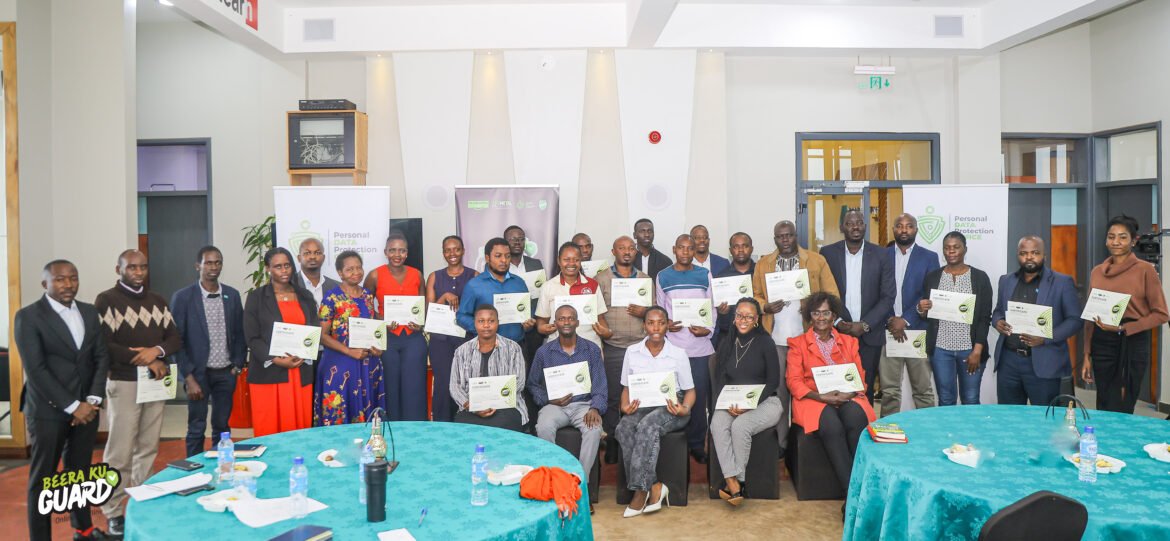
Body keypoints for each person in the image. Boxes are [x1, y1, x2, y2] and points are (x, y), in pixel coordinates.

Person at [19, 260, 111, 541]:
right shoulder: (29, 316)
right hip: (47, 410)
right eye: (60, 279)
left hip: (87, 409)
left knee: (78, 474)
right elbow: (36, 370)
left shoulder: (88, 312)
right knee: (44, 480)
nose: (68, 284)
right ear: (45, 283)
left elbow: (100, 356)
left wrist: (91, 401)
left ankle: (83, 530)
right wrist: (73, 406)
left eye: (73, 278)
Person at [96, 249, 181, 535]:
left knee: (148, 446)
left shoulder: (157, 300)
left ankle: (141, 500)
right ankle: (113, 509)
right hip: (124, 381)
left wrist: (156, 352)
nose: (138, 272)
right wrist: (148, 359)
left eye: (143, 267)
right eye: (131, 267)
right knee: (119, 451)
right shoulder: (106, 300)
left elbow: (174, 338)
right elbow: (106, 345)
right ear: (118, 269)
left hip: (155, 383)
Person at [752, 220, 839, 453]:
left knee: (810, 390)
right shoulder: (763, 264)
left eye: (789, 235)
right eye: (781, 236)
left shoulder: (816, 260)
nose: (786, 240)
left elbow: (831, 295)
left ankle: (809, 442)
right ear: (775, 239)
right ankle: (782, 445)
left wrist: (811, 305)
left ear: (795, 236)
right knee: (779, 394)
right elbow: (755, 296)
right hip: (776, 340)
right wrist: (765, 307)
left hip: (807, 338)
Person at [786, 292, 876, 511]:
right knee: (832, 426)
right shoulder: (797, 344)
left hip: (847, 396)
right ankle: (851, 494)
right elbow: (794, 381)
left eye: (826, 312)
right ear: (809, 316)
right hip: (813, 398)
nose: (821, 318)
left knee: (856, 418)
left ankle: (866, 487)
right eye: (816, 313)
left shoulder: (849, 342)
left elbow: (860, 377)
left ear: (834, 314)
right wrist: (821, 397)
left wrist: (850, 394)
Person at [1082, 215, 1169, 413]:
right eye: (1111, 237)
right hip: (1102, 341)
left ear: (1133, 240)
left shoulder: (1145, 270)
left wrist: (1123, 328)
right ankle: (1103, 441)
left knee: (1123, 400)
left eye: (1122, 237)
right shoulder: (1097, 272)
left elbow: (1161, 314)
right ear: (1106, 240)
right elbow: (1089, 318)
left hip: (1132, 340)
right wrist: (1086, 354)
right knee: (1104, 398)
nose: (1116, 242)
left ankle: (1120, 442)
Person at [616, 306, 696, 518]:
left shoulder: (678, 354)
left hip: (671, 406)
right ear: (644, 326)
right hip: (642, 404)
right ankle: (654, 485)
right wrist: (625, 407)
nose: (656, 327)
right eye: (651, 322)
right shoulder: (632, 352)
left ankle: (640, 492)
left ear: (668, 325)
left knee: (647, 426)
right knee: (623, 427)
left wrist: (684, 409)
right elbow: (626, 389)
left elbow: (690, 391)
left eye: (660, 322)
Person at [170, 246, 247, 458]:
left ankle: (221, 466)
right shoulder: (183, 297)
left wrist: (238, 364)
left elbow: (240, 332)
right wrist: (188, 376)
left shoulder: (231, 294)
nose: (214, 267)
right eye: (209, 262)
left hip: (226, 372)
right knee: (196, 426)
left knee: (222, 426)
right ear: (198, 266)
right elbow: (177, 340)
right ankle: (193, 471)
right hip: (197, 373)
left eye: (218, 262)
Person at [992, 236, 1082, 406]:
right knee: (1009, 418)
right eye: (1024, 253)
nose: (1029, 257)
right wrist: (997, 321)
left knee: (1045, 420)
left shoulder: (1062, 282)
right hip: (1009, 362)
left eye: (1035, 253)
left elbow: (1075, 320)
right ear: (1018, 255)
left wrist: (1045, 337)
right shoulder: (1006, 281)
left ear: (1044, 255)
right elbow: (998, 311)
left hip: (1044, 361)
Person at [710, 298, 782, 506]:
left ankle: (738, 481)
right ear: (734, 318)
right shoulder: (727, 342)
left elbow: (773, 382)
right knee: (717, 423)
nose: (743, 320)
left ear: (756, 319)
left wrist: (748, 404)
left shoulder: (765, 342)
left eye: (748, 316)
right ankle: (732, 481)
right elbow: (720, 378)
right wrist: (727, 403)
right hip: (731, 401)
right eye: (739, 315)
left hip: (765, 402)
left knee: (740, 426)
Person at [821, 209, 896, 404]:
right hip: (837, 333)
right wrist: (837, 322)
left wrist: (864, 325)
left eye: (860, 222)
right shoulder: (827, 253)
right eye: (850, 223)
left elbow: (888, 296)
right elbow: (824, 293)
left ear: (865, 226)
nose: (855, 226)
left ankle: (864, 430)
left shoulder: (882, 254)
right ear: (841, 228)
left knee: (865, 387)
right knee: (837, 387)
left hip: (869, 334)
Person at [243, 247, 318, 436]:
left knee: (300, 431)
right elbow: (252, 337)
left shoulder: (305, 296)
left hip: (300, 371)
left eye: (287, 265)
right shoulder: (256, 298)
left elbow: (313, 330)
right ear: (268, 268)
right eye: (278, 266)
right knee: (269, 428)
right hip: (269, 372)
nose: (284, 270)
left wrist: (304, 354)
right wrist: (276, 359)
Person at [655, 234, 715, 463]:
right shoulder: (663, 276)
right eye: (681, 248)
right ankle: (673, 442)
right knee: (671, 396)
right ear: (674, 249)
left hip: (699, 348)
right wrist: (665, 325)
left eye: (690, 248)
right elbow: (659, 309)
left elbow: (712, 309)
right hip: (673, 348)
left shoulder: (704, 275)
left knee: (698, 400)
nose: (686, 252)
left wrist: (708, 330)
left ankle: (697, 444)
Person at [595, 235, 654, 464]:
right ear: (614, 251)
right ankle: (612, 440)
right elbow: (596, 312)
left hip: (640, 347)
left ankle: (638, 437)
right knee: (612, 396)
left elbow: (655, 313)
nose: (627, 252)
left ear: (636, 252)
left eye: (631, 248)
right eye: (622, 248)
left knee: (640, 394)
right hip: (614, 347)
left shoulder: (645, 279)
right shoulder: (601, 279)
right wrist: (604, 331)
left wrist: (644, 312)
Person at [528, 305, 607, 476]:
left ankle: (579, 482)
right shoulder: (544, 352)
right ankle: (553, 476)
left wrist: (595, 408)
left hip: (584, 404)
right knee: (543, 427)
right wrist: (548, 400)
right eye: (562, 318)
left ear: (577, 322)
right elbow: (533, 384)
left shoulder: (592, 349)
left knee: (594, 430)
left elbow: (600, 383)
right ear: (555, 323)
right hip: (555, 406)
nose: (566, 322)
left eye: (570, 318)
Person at [918, 232, 993, 406]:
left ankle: (970, 434)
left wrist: (977, 350)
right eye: (947, 247)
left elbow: (984, 317)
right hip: (940, 350)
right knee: (945, 399)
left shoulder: (979, 277)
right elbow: (926, 312)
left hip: (970, 349)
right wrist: (921, 308)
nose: (951, 251)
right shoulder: (933, 277)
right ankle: (948, 434)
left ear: (965, 249)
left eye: (956, 247)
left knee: (971, 398)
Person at [364, 232, 428, 421]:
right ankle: (390, 428)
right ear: (385, 252)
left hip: (412, 338)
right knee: (389, 385)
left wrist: (420, 323)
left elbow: (422, 306)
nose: (397, 254)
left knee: (414, 386)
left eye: (401, 250)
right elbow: (365, 306)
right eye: (392, 250)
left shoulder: (417, 274)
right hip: (387, 338)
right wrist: (381, 318)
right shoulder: (375, 275)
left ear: (407, 253)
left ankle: (415, 429)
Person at [316, 251, 385, 425]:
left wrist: (378, 346)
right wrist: (349, 351)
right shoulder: (331, 297)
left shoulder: (368, 295)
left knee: (370, 421)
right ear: (340, 273)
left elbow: (370, 327)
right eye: (349, 269)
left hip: (367, 364)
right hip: (340, 365)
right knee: (340, 415)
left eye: (359, 267)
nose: (356, 272)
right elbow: (322, 335)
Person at [880, 214, 940, 416]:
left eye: (909, 226)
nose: (904, 230)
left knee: (923, 391)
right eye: (899, 226)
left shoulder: (929, 257)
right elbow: (876, 291)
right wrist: (891, 320)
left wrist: (905, 320)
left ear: (916, 229)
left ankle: (928, 431)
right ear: (893, 229)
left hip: (916, 331)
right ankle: (888, 433)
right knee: (889, 392)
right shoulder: (882, 255)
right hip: (888, 332)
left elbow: (929, 294)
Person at [450, 304, 529, 431]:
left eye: (491, 321)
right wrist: (472, 406)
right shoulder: (462, 351)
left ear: (498, 323)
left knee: (502, 424)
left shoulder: (513, 348)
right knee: (462, 425)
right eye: (481, 321)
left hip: (506, 406)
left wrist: (495, 400)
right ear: (475, 323)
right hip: (472, 408)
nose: (486, 325)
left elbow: (519, 382)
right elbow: (455, 386)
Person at [426, 235, 477, 421]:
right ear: (443, 253)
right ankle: (442, 424)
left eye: (456, 249)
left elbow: (479, 308)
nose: (452, 253)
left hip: (466, 338)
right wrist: (444, 296)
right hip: (440, 341)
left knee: (466, 381)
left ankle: (465, 421)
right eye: (447, 250)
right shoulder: (434, 276)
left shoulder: (474, 276)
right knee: (443, 383)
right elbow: (428, 313)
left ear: (463, 250)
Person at [458, 237, 535, 344]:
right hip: (487, 346)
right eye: (498, 256)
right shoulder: (474, 285)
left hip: (518, 345)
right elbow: (461, 316)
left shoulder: (519, 283)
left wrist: (528, 324)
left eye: (508, 256)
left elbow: (529, 312)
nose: (504, 260)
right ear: (487, 258)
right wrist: (484, 328)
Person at [535, 242, 610, 349]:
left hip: (590, 345)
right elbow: (542, 320)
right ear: (558, 261)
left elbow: (600, 317)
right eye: (566, 259)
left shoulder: (592, 284)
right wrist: (542, 328)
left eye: (576, 259)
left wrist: (605, 331)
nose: (572, 263)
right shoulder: (548, 286)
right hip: (558, 347)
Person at [504, 225, 546, 364]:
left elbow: (541, 296)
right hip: (507, 327)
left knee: (533, 366)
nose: (517, 243)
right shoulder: (499, 265)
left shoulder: (536, 264)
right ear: (505, 242)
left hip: (533, 326)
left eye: (521, 239)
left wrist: (532, 319)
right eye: (513, 239)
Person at [713, 232, 755, 350]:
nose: (740, 250)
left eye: (745, 246)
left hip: (757, 336)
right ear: (730, 250)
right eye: (736, 247)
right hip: (729, 337)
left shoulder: (760, 273)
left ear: (751, 249)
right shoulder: (721, 277)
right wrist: (722, 313)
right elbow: (718, 319)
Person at [292, 237, 340, 307]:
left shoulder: (336, 287)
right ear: (299, 258)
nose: (312, 257)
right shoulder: (290, 285)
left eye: (317, 253)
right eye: (307, 253)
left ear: (323, 258)